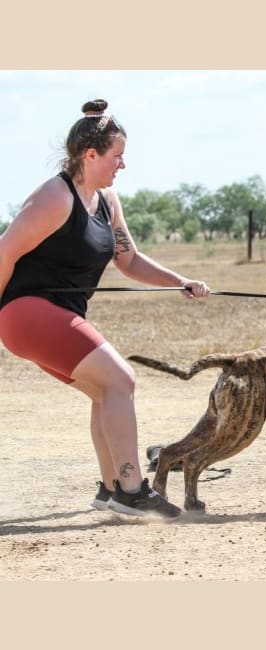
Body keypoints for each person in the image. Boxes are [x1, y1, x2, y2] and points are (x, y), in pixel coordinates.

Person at [0, 99, 212, 518]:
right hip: (25, 312)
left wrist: (179, 281)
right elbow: (4, 254)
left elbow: (129, 260)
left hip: (56, 317)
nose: (123, 165)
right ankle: (132, 490)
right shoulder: (54, 198)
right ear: (89, 154)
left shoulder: (108, 200)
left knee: (105, 389)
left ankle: (112, 488)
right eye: (117, 156)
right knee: (121, 379)